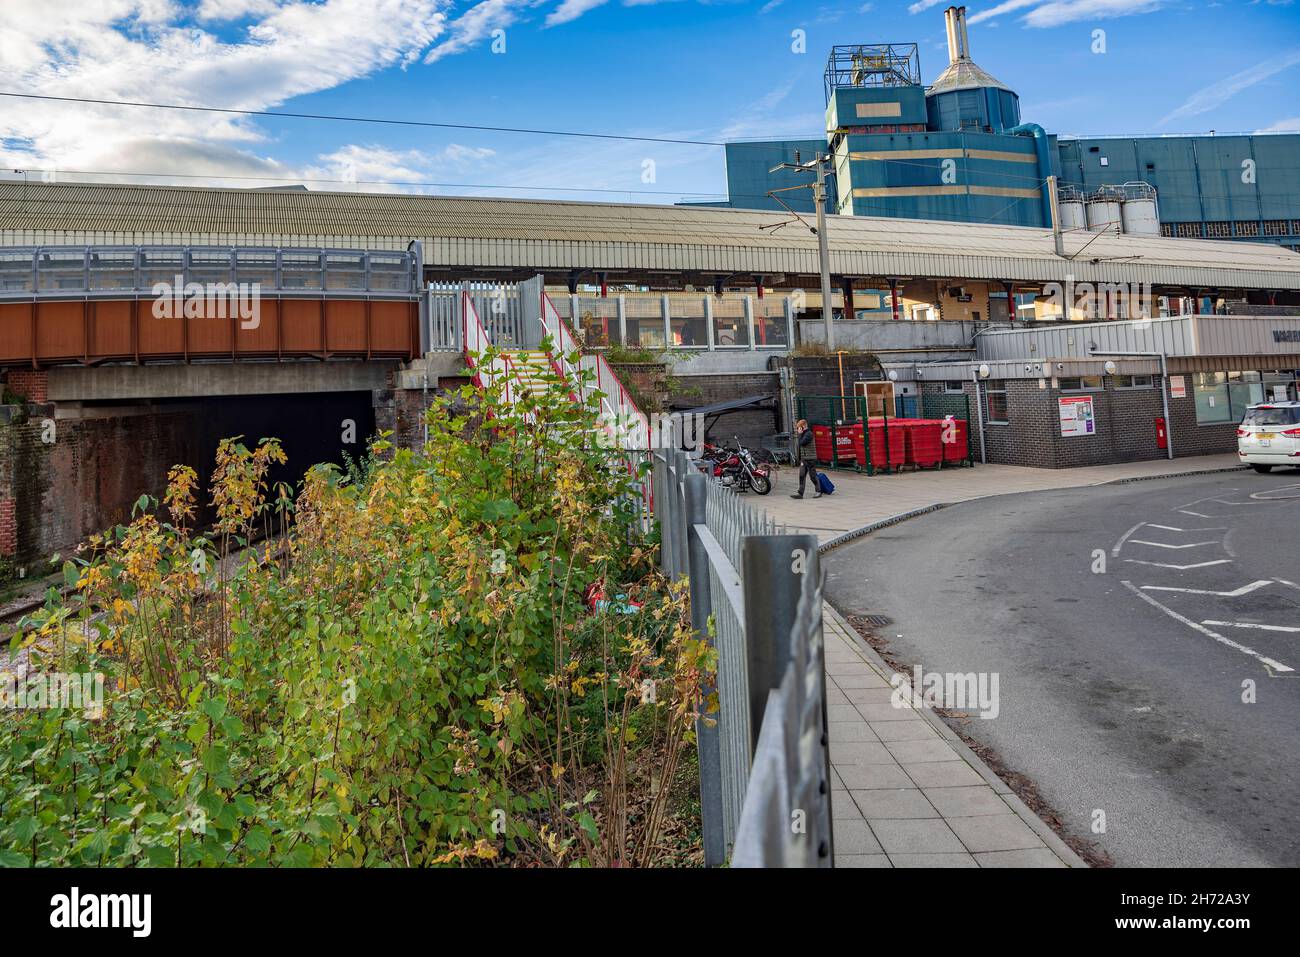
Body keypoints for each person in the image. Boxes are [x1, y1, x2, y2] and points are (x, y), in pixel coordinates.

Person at [790, 419, 821, 499]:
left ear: (803, 426)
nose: (798, 430)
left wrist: (800, 434)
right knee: (801, 475)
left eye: (799, 428)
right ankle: (800, 493)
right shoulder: (804, 434)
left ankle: (818, 491)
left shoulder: (809, 434)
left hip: (811, 458)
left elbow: (802, 443)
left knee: (812, 476)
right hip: (804, 459)